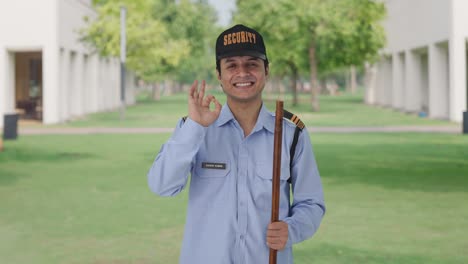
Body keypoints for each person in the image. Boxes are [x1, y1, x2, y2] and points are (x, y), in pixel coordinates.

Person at [147, 24, 325, 264]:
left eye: (252, 63)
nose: (243, 73)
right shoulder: (196, 129)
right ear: (219, 75)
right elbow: (162, 185)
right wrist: (195, 127)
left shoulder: (291, 134)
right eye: (231, 65)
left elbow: (311, 203)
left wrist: (291, 229)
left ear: (266, 70)